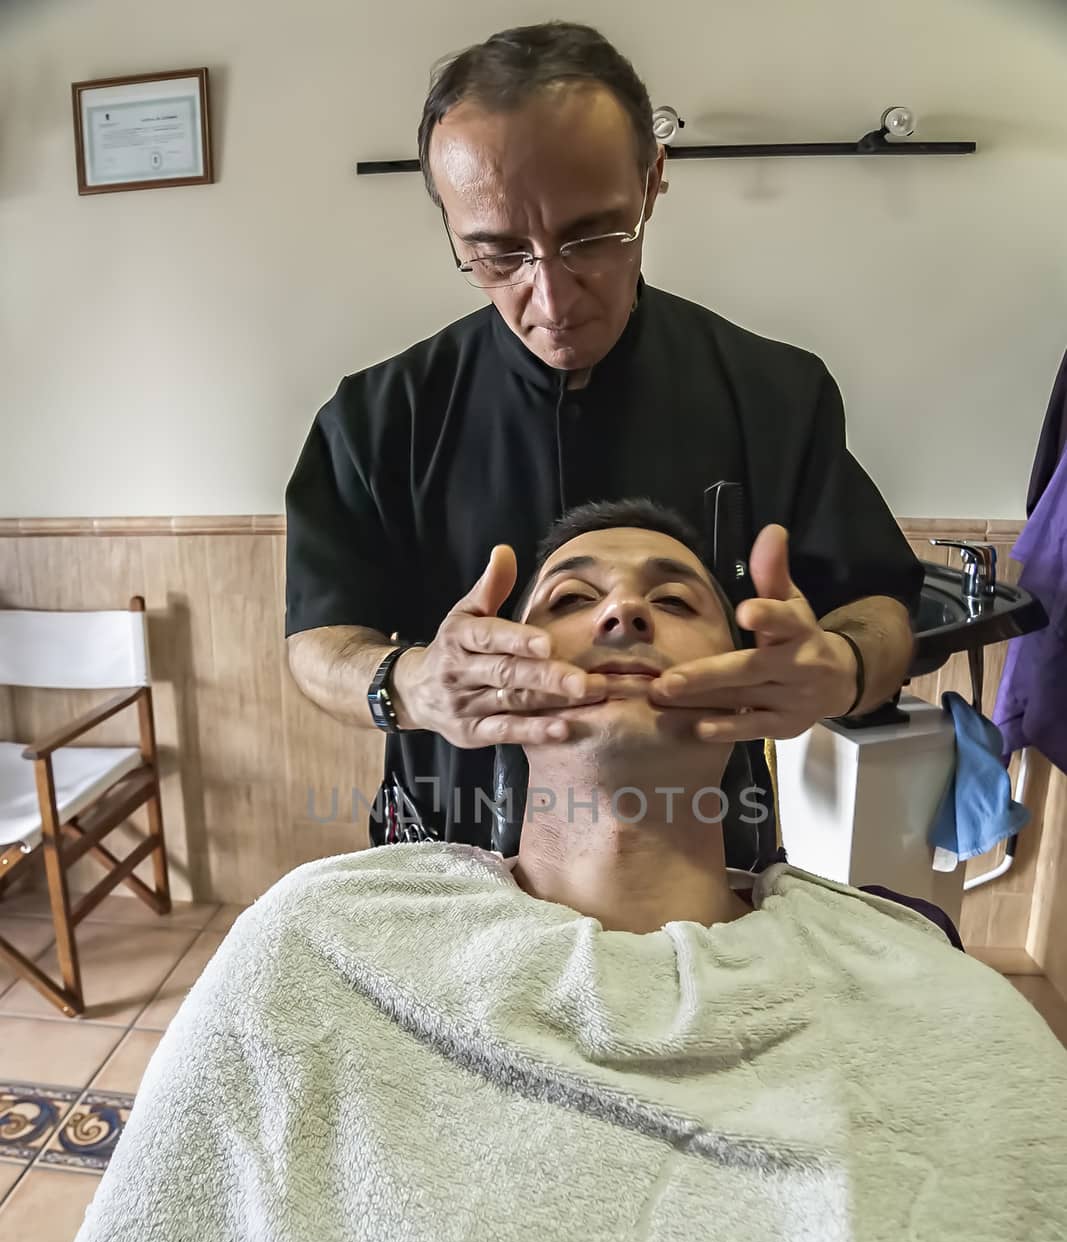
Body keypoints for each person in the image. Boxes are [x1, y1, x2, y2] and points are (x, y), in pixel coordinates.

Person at [3, 504, 1064, 1242]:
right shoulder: (319, 935)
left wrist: (847, 655)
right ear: (500, 683)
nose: (619, 610)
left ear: (749, 684)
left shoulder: (936, 1003)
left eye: (674, 599)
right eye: (569, 598)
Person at [284, 20, 922, 861]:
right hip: (447, 859)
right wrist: (409, 684)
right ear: (449, 226)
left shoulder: (775, 394)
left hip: (704, 861)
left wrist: (839, 666)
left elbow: (881, 607)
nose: (550, 299)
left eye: (590, 238)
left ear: (653, 181)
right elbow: (317, 641)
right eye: (498, 254)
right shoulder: (377, 418)